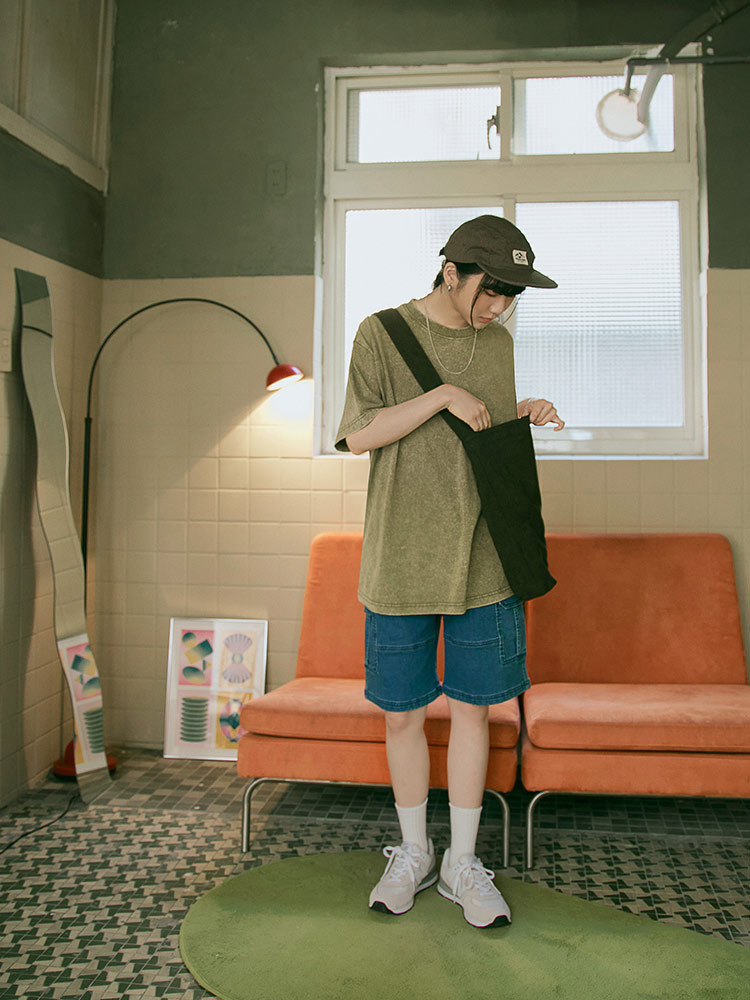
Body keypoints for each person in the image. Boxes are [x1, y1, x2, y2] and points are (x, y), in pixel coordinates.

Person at [334, 215, 564, 929]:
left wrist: (520, 412)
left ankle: (463, 862)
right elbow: (357, 435)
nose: (499, 307)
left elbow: (480, 434)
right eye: (491, 290)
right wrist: (440, 394)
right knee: (402, 715)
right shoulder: (380, 333)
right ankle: (414, 851)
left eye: (511, 296)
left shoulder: (497, 343)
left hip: (484, 557)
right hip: (401, 555)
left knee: (473, 711)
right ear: (451, 271)